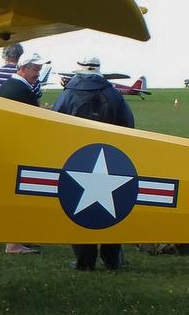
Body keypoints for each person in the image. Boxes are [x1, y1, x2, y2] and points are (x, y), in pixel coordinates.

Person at [52, 54, 135, 271]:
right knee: (113, 207)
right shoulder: (114, 95)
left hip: (75, 160)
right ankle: (112, 259)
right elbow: (128, 125)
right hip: (112, 158)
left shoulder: (67, 94)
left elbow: (54, 126)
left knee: (77, 207)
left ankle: (84, 261)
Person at [0, 50, 48, 255]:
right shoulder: (19, 88)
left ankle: (20, 237)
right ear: (23, 68)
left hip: (12, 146)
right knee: (18, 195)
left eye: (39, 69)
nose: (38, 74)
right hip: (16, 149)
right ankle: (13, 243)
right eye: (35, 69)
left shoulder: (14, 85)